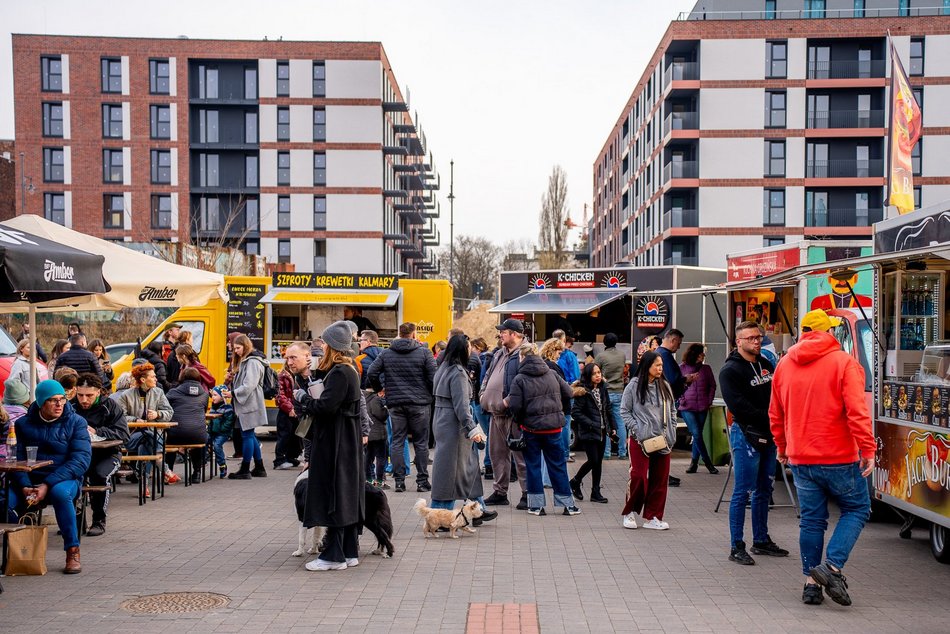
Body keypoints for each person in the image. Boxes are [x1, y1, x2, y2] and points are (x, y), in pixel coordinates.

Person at [770, 309, 875, 607]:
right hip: (839, 456)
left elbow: (775, 414)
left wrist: (782, 447)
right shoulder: (844, 363)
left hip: (801, 457)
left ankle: (811, 584)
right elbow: (857, 412)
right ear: (829, 332)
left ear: (803, 332)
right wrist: (867, 449)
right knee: (857, 508)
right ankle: (830, 568)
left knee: (812, 521)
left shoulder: (784, 365)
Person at [294, 321, 364, 571]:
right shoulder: (348, 371)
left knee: (334, 493)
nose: (321, 347)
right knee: (345, 492)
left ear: (333, 347)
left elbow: (326, 407)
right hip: (346, 439)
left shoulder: (340, 373)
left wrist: (304, 399)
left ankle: (333, 556)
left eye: (324, 343)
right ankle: (348, 551)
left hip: (335, 442)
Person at [719, 320, 788, 567]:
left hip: (769, 437)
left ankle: (761, 540)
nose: (757, 341)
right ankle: (737, 545)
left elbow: (778, 394)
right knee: (743, 491)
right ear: (739, 342)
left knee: (764, 490)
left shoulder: (766, 364)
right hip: (746, 435)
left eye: (758, 337)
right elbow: (739, 407)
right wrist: (771, 417)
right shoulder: (730, 371)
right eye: (751, 338)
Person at [7, 379, 91, 574]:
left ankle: (72, 550)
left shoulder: (76, 422)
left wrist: (46, 484)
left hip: (63, 478)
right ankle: (12, 552)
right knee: (5, 500)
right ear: (41, 402)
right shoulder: (22, 424)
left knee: (60, 494)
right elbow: (16, 458)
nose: (59, 404)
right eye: (53, 400)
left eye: (62, 399)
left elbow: (80, 461)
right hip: (28, 477)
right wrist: (25, 485)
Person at [504, 342, 579, 516]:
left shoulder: (519, 378)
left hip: (531, 429)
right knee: (558, 465)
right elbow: (568, 392)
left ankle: (537, 506)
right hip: (554, 428)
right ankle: (568, 505)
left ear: (522, 357)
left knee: (533, 466)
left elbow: (514, 406)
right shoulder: (552, 373)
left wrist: (520, 420)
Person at [366, 321, 437, 493]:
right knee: (421, 442)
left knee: (397, 441)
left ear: (399, 333)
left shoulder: (387, 353)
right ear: (414, 334)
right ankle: (422, 481)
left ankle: (399, 481)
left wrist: (380, 390)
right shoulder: (424, 353)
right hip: (420, 403)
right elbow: (434, 376)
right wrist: (427, 392)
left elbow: (371, 373)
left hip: (396, 403)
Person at [430, 335, 495, 519]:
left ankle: (478, 507)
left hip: (443, 420)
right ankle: (439, 514)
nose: (470, 350)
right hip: (454, 425)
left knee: (470, 464)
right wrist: (472, 428)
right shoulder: (458, 372)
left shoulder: (443, 367)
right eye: (468, 347)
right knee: (451, 470)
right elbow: (461, 406)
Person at [619, 350, 676, 531]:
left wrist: (671, 431)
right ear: (647, 366)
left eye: (661, 365)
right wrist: (637, 429)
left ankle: (653, 517)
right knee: (638, 476)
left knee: (660, 479)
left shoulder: (665, 385)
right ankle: (629, 512)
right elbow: (624, 411)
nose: (660, 369)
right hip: (640, 440)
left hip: (663, 439)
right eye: (657, 365)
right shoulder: (633, 386)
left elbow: (673, 410)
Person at [480, 319, 530, 510]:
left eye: (504, 332)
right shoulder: (500, 353)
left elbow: (524, 383)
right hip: (495, 413)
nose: (501, 335)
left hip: (513, 415)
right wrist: (483, 394)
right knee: (497, 454)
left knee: (520, 456)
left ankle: (527, 493)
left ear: (515, 334)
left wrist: (508, 402)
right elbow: (487, 376)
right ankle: (500, 492)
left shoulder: (525, 354)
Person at [72, 372, 129, 537]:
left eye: (89, 395)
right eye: (80, 395)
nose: (84, 400)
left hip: (108, 454)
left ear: (98, 392)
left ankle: (98, 520)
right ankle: (74, 521)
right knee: (70, 476)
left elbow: (124, 434)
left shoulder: (110, 406)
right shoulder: (70, 406)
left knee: (100, 475)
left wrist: (97, 431)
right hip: (80, 455)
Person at [115, 361, 174, 489]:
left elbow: (169, 412)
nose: (156, 379)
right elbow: (120, 417)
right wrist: (135, 420)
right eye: (152, 376)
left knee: (146, 443)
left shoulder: (158, 392)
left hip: (153, 437)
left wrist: (157, 414)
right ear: (143, 379)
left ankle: (144, 485)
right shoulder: (126, 395)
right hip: (131, 436)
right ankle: (164, 469)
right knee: (148, 437)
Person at [570, 362, 616, 504]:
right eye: (594, 373)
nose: (598, 376)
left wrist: (612, 427)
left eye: (599, 373)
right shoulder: (583, 392)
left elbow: (608, 409)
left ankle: (595, 491)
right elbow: (576, 412)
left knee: (598, 463)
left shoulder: (602, 388)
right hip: (589, 432)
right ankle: (575, 481)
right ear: (588, 376)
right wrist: (590, 424)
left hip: (602, 431)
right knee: (593, 460)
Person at [225, 334, 268, 480]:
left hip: (250, 403)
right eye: (234, 348)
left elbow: (249, 384)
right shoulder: (249, 360)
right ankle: (259, 467)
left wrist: (233, 393)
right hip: (249, 403)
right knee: (250, 435)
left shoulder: (252, 361)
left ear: (245, 345)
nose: (235, 351)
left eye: (238, 348)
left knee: (247, 435)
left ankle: (245, 469)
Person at [165, 367, 210, 484]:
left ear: (182, 377)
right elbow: (204, 411)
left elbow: (166, 410)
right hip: (198, 435)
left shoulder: (173, 393)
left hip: (176, 434)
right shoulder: (204, 395)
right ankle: (197, 473)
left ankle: (168, 473)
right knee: (196, 438)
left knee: (169, 441)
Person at [678, 343, 719, 475]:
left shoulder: (706, 369)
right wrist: (681, 399)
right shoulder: (682, 368)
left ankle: (694, 463)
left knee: (698, 435)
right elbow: (676, 385)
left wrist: (709, 400)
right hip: (686, 406)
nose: (703, 355)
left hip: (702, 406)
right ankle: (708, 462)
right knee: (696, 433)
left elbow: (712, 385)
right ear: (694, 354)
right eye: (701, 353)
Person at [594, 333, 627, 461]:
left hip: (605, 391)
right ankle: (622, 452)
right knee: (620, 422)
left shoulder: (601, 356)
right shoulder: (622, 355)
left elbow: (595, 370)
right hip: (619, 391)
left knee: (606, 422)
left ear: (604, 343)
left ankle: (606, 453)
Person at [274, 350, 303, 470]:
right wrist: (290, 408)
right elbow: (280, 395)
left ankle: (291, 457)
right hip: (286, 411)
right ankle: (279, 460)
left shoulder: (296, 376)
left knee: (294, 436)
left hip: (295, 410)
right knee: (284, 436)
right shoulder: (283, 376)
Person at [469, 337, 493, 479]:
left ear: (477, 347)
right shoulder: (488, 359)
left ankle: (484, 464)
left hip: (478, 401)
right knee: (486, 433)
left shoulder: (481, 360)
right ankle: (487, 464)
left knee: (475, 432)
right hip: (481, 401)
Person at [554, 330, 579, 463]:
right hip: (567, 390)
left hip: (552, 393)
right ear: (563, 340)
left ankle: (558, 450)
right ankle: (565, 453)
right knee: (566, 422)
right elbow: (575, 375)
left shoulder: (548, 355)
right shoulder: (569, 355)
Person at [364, 387, 389, 488]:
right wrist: (385, 409)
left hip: (368, 433)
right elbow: (381, 415)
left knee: (368, 457)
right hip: (378, 434)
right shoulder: (376, 399)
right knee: (381, 458)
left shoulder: (363, 397)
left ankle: (368, 479)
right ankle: (379, 481)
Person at [208, 386, 235, 479]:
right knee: (203, 440)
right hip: (213, 432)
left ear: (222, 397)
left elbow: (229, 421)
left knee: (217, 445)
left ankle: (222, 465)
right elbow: (210, 421)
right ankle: (201, 461)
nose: (213, 397)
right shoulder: (213, 407)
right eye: (212, 395)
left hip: (223, 433)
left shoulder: (227, 408)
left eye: (215, 395)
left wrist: (222, 429)